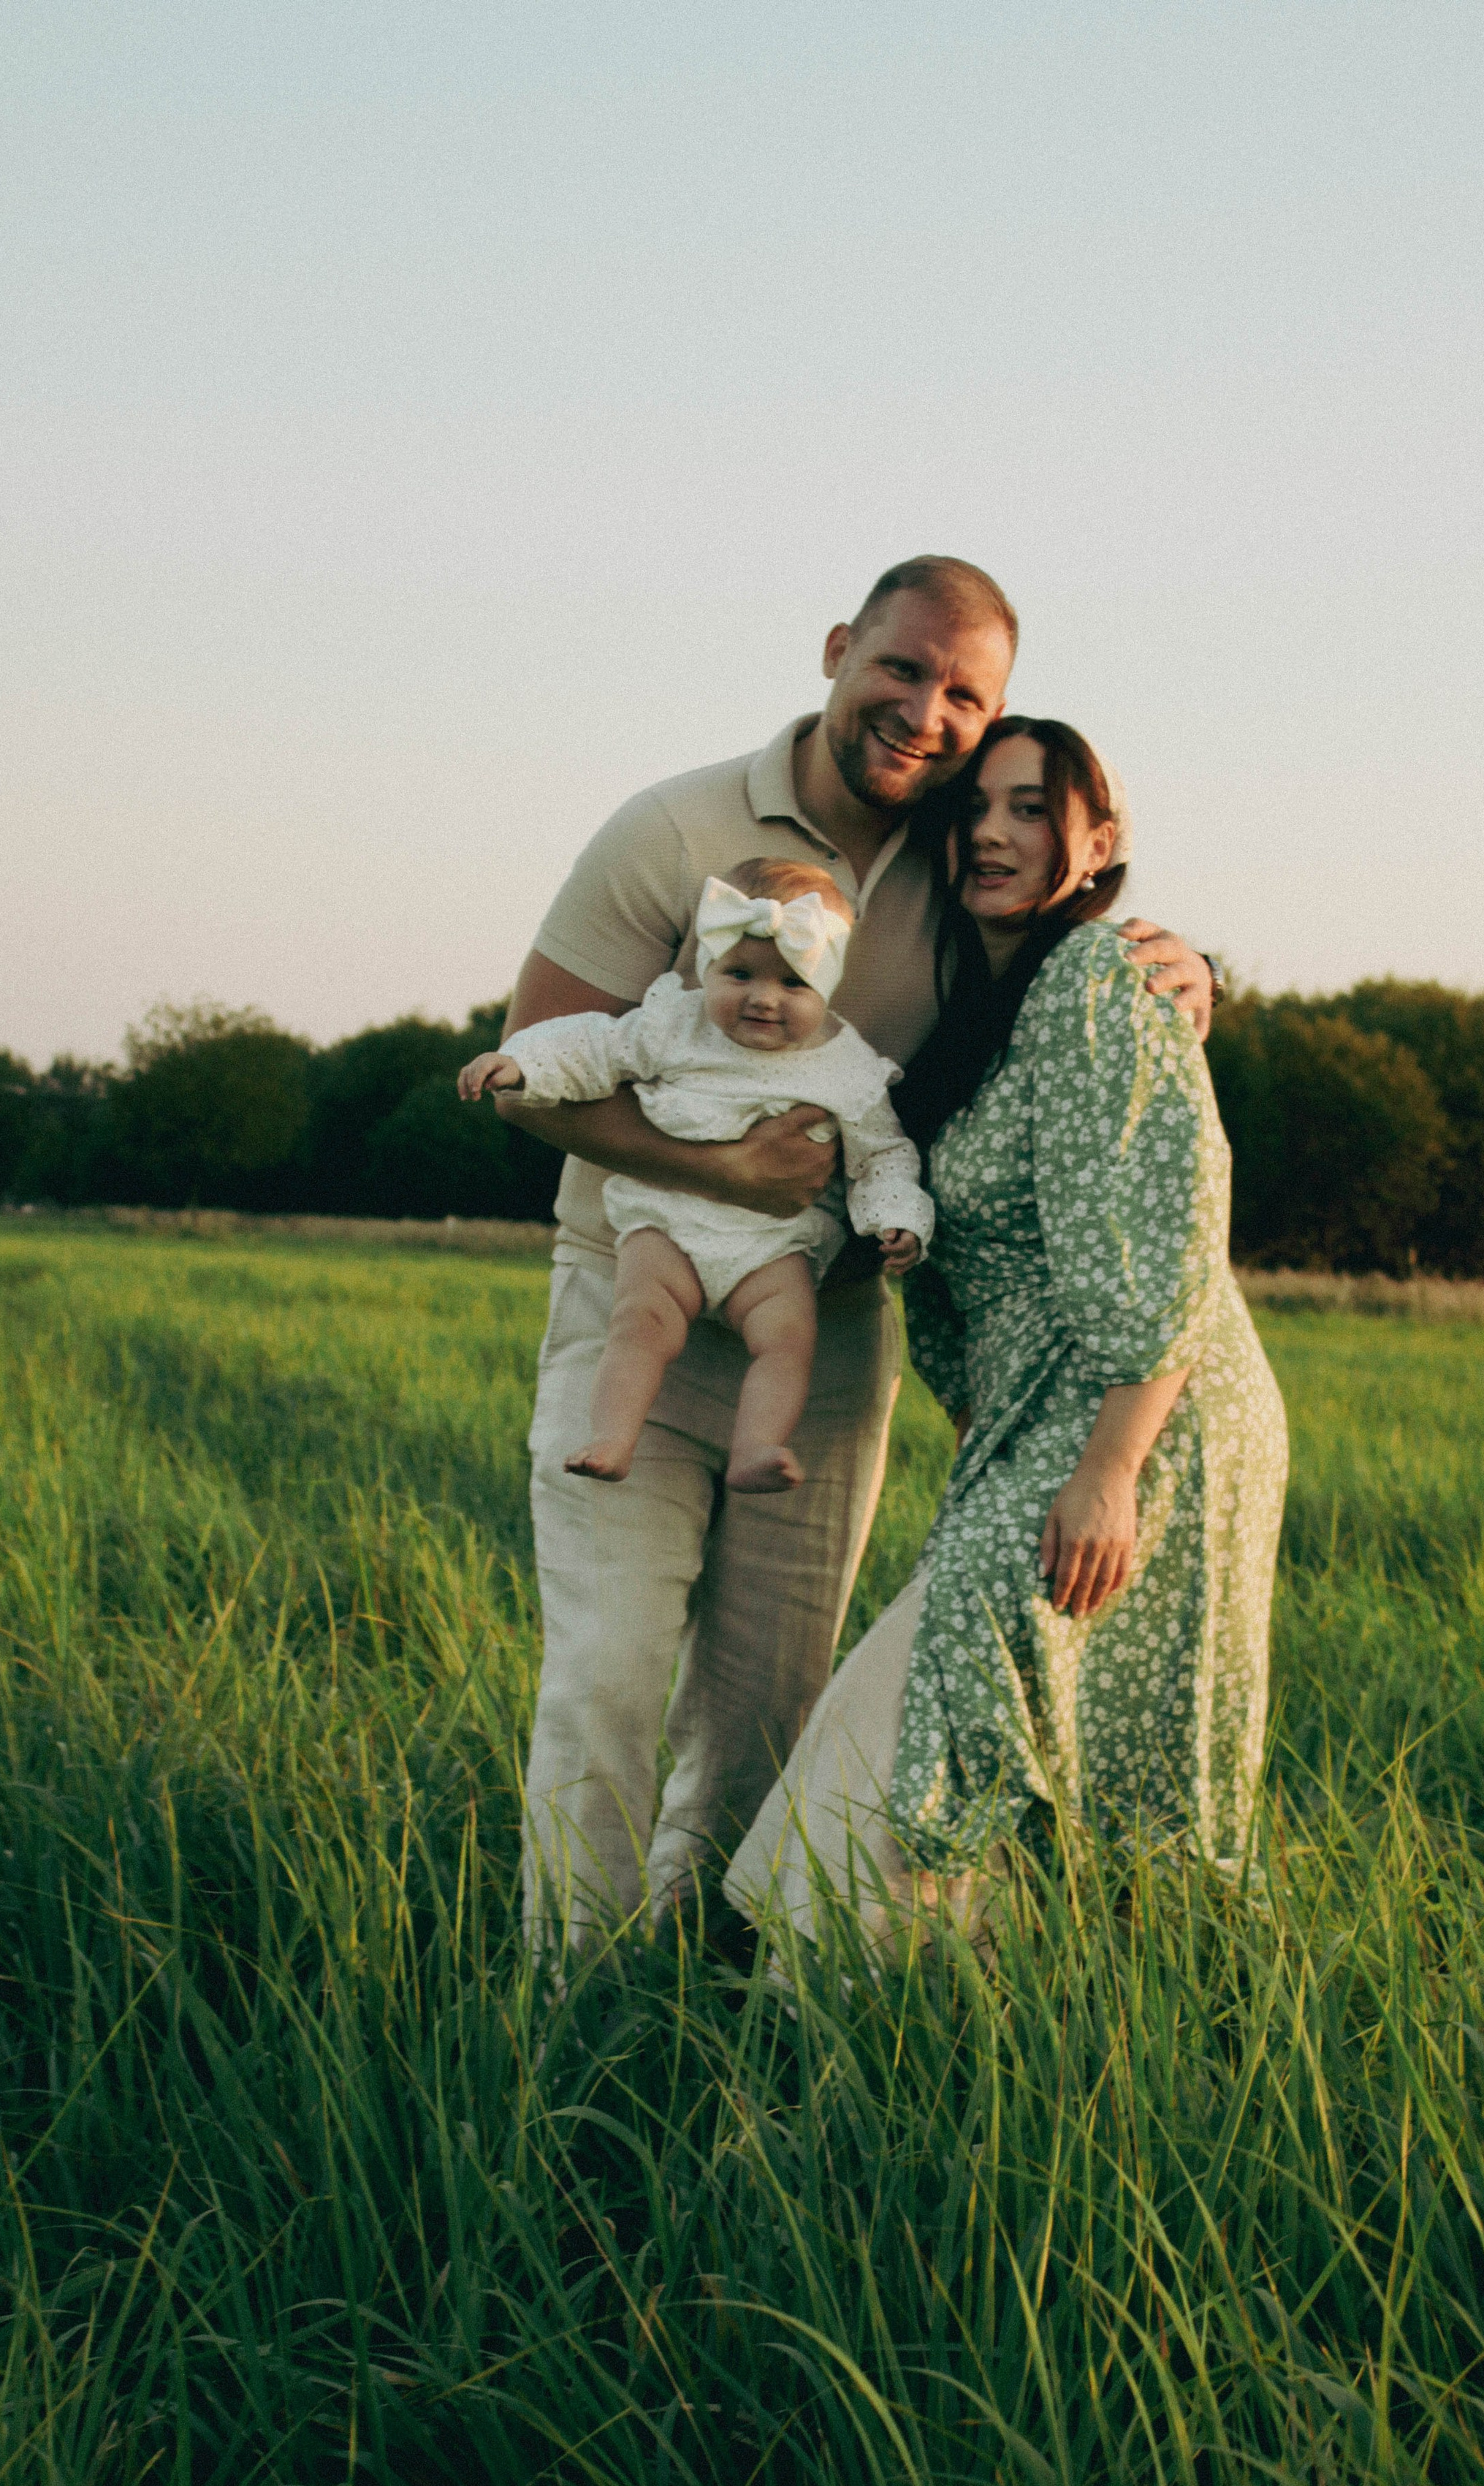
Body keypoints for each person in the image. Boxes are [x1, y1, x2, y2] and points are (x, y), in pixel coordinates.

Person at [495, 555, 1217, 1947]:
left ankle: (705, 1980)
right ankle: (572, 1993)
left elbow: (1067, 960)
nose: (925, 713)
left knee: (768, 1700)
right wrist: (723, 1171)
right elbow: (532, 1071)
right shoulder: (671, 828)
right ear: (838, 650)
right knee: (607, 1676)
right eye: (901, 667)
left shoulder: (962, 857)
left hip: (821, 1346)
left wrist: (1189, 974)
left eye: (965, 695)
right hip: (638, 1313)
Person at [725, 716, 1287, 1951]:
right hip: (1040, 1416)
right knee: (989, 1692)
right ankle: (977, 1993)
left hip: (1146, 1411)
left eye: (1032, 808)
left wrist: (1111, 1469)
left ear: (1100, 839)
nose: (991, 832)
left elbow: (1170, 1223)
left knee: (957, 1678)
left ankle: (888, 1984)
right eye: (975, 807)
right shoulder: (978, 1007)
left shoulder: (1095, 975)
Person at [458, 862, 932, 1494]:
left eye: (793, 982)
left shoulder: (845, 1066)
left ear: (829, 984)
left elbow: (881, 1155)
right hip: (669, 1218)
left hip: (772, 1243)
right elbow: (596, 1048)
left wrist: (896, 1217)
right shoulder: (675, 1025)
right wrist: (521, 1063)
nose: (763, 998)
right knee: (638, 1321)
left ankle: (758, 1446)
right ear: (709, 967)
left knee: (788, 1339)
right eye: (739, 974)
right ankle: (611, 1437)